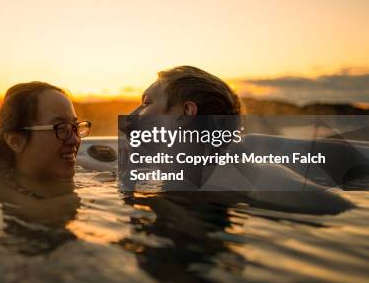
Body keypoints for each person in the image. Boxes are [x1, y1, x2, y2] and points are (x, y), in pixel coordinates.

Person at [128, 65, 354, 213]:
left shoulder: (260, 180)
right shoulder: (188, 171)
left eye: (147, 103)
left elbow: (342, 211)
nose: (131, 115)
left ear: (186, 112)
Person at [0, 81, 92, 181]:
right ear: (15, 141)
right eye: (61, 128)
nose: (75, 139)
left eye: (75, 126)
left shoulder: (92, 179)